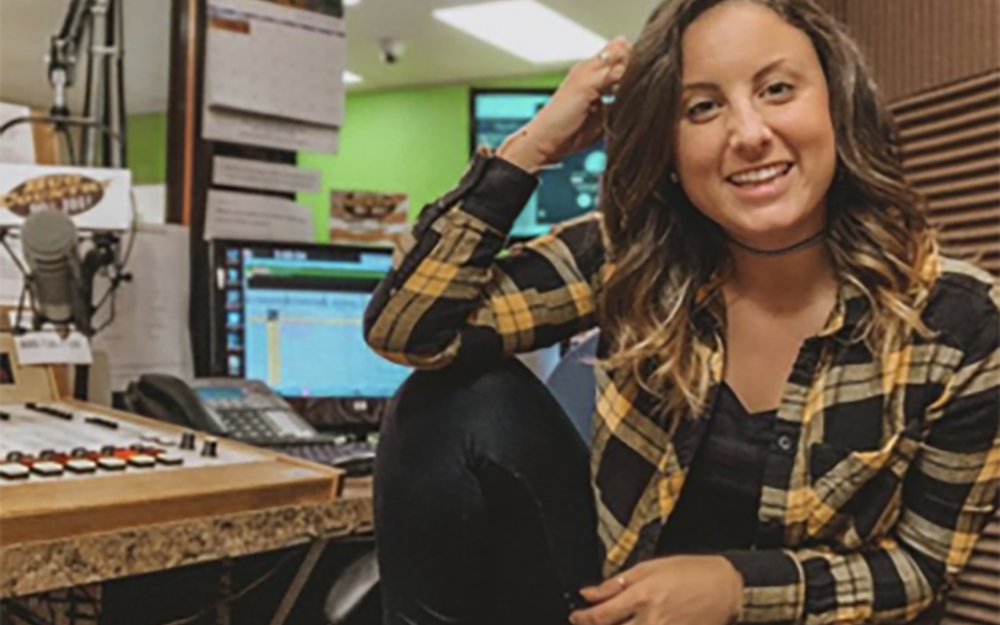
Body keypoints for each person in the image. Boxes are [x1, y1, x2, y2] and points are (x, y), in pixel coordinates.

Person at [364, 0, 1000, 623]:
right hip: (613, 610)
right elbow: (411, 330)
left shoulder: (960, 322)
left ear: (838, 104)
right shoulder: (634, 257)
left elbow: (921, 567)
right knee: (452, 398)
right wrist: (532, 148)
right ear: (668, 147)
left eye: (777, 89)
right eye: (703, 107)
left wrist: (732, 589)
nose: (748, 134)